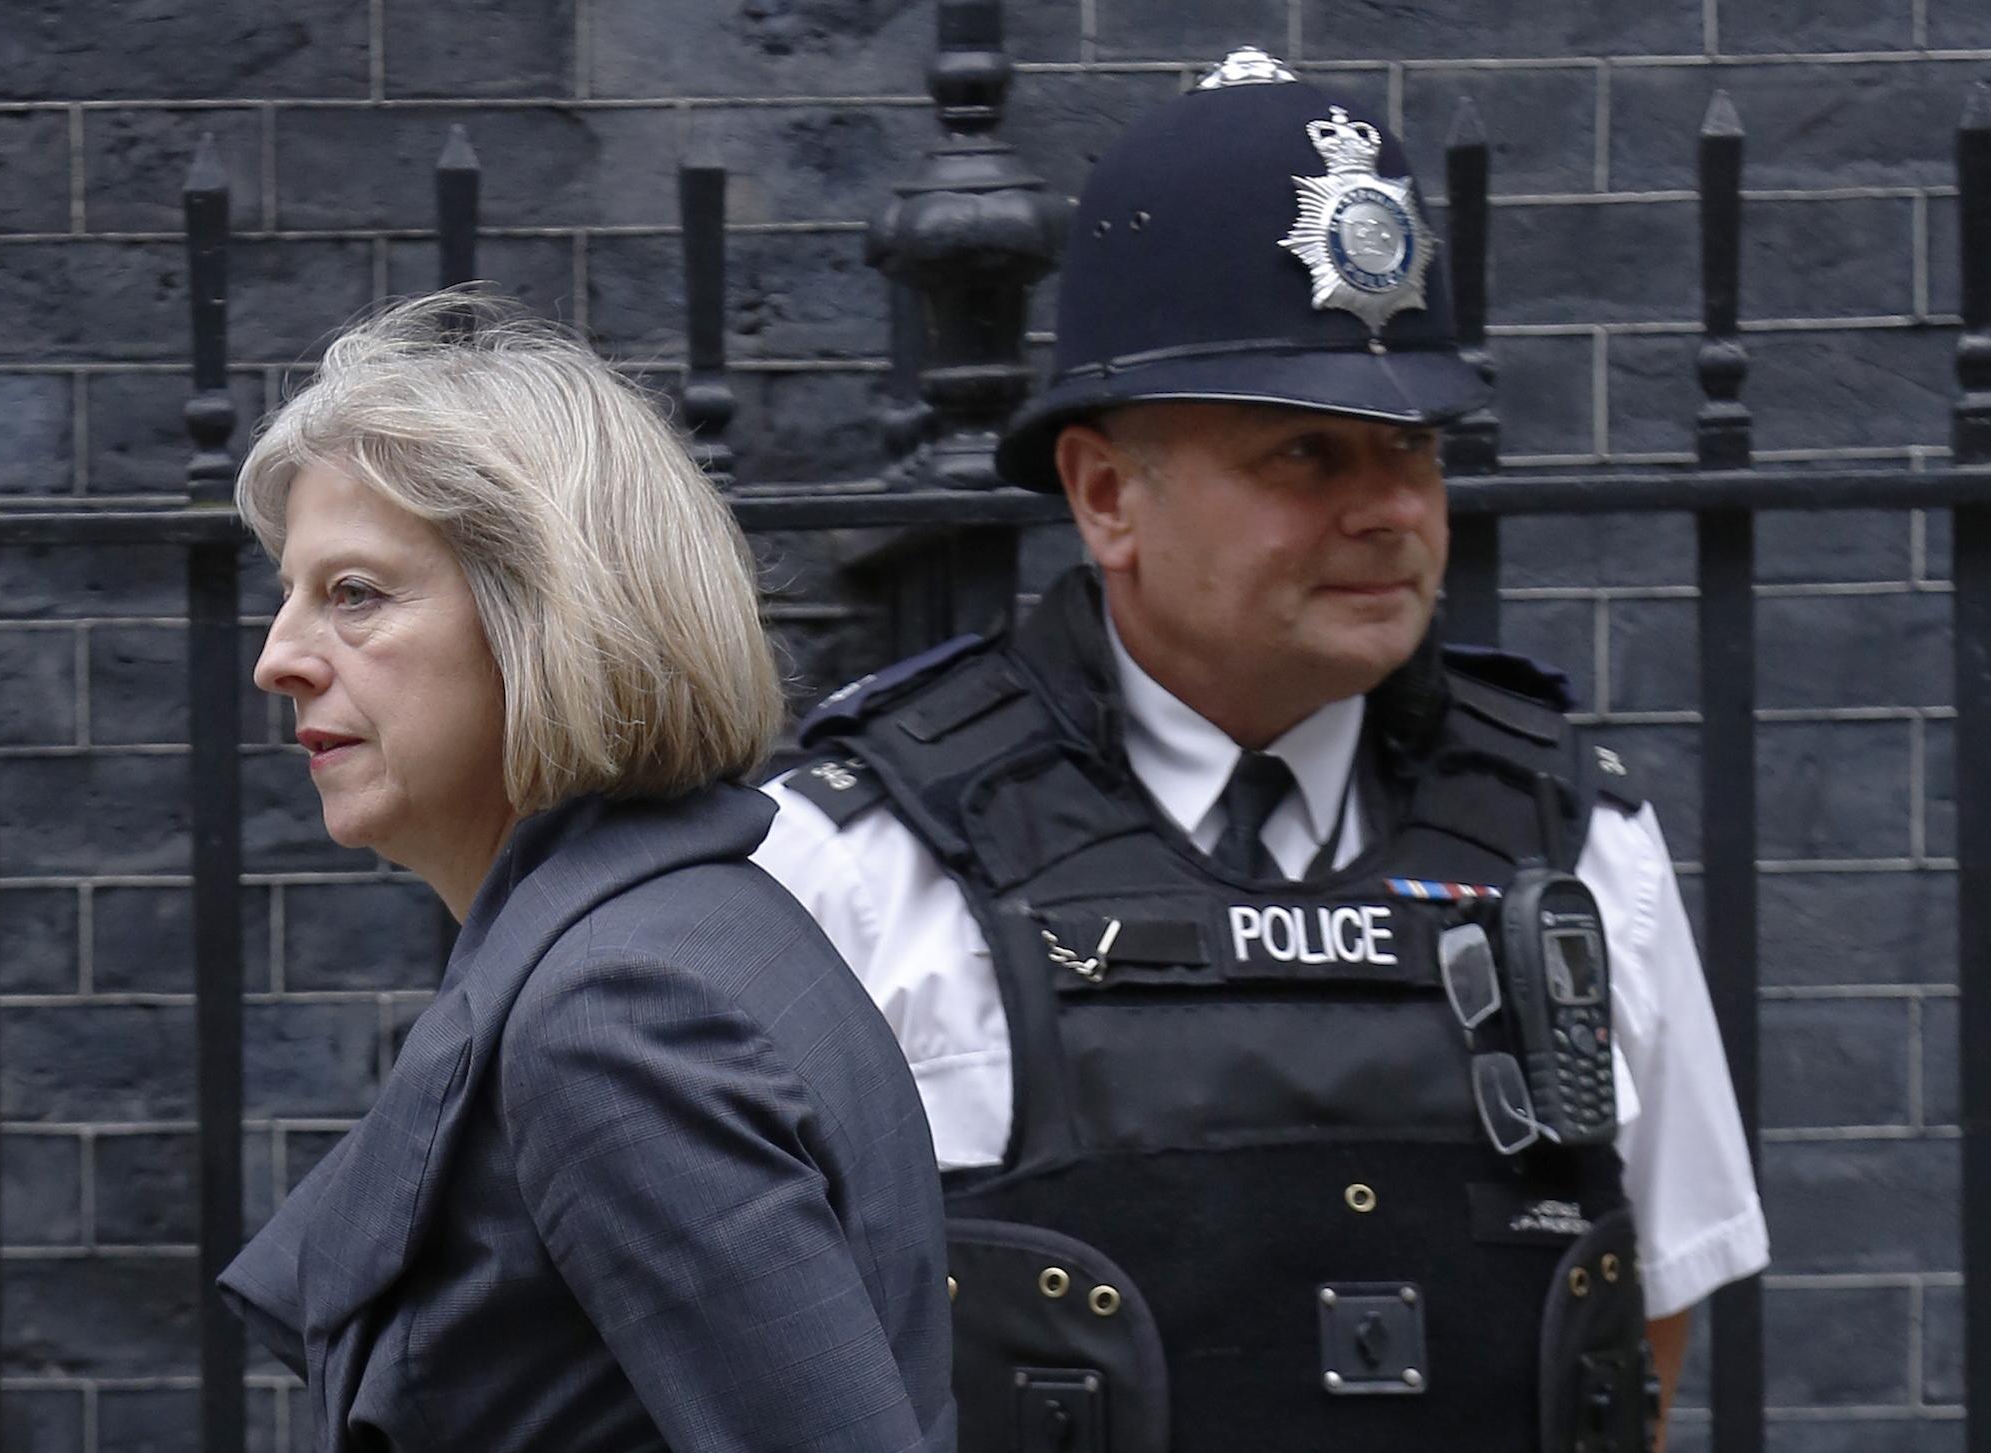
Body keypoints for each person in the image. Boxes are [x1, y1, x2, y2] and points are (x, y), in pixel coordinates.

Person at [754, 51, 1766, 1453]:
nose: (1390, 510)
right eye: (1308, 454)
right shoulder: (866, 868)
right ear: (1107, 494)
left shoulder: (1578, 842)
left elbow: (1643, 1327)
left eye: (1412, 448)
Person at [218, 290, 956, 1453]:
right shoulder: (675, 929)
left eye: (352, 593)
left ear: (543, 612)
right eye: (289, 596)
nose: (278, 660)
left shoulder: (615, 1016)